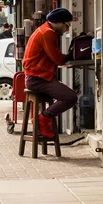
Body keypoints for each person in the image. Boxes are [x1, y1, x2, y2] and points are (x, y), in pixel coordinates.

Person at [22, 8, 77, 139]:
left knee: (66, 95)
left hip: (36, 77)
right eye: (66, 25)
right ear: (59, 22)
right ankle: (43, 118)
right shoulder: (48, 33)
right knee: (70, 97)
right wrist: (70, 56)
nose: (66, 29)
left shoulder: (42, 29)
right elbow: (57, 59)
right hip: (38, 78)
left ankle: (44, 118)